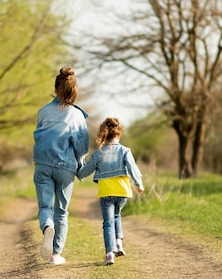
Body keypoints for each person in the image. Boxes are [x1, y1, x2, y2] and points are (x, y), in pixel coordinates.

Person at [33, 67, 89, 265]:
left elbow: (38, 134)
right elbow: (82, 147)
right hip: (65, 166)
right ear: (74, 92)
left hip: (42, 164)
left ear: (56, 88)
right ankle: (55, 255)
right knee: (62, 211)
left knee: (45, 206)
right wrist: (80, 165)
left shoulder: (43, 112)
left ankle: (47, 226)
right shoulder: (77, 116)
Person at [78, 117, 144, 265]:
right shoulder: (125, 150)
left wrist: (78, 170)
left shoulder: (98, 153)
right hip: (122, 192)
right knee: (117, 215)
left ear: (104, 135)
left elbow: (84, 172)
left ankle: (109, 254)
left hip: (106, 192)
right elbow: (133, 168)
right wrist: (139, 183)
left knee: (108, 222)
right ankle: (119, 243)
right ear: (118, 135)